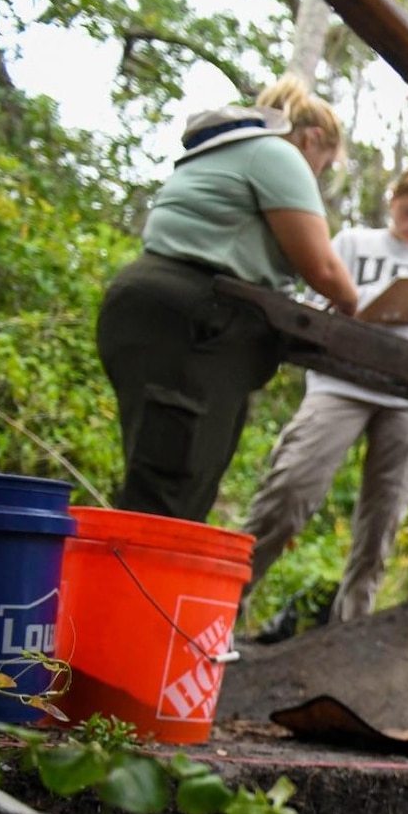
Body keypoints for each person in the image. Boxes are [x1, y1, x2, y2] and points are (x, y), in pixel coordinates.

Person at [97, 77, 360, 522]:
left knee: (164, 478)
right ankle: (143, 590)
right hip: (194, 321)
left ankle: (149, 587)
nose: (316, 173)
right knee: (169, 493)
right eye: (324, 164)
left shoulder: (221, 150)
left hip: (148, 305)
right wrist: (352, 306)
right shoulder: (276, 153)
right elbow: (324, 269)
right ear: (312, 138)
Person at [240, 163, 408, 622]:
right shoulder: (353, 243)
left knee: (383, 521)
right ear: (393, 200)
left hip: (406, 399)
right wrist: (342, 305)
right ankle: (226, 604)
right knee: (292, 487)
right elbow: (308, 304)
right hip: (340, 384)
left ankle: (350, 627)